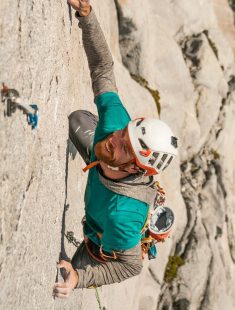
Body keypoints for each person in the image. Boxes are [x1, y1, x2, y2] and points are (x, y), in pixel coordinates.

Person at [53, 0, 178, 298]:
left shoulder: (123, 215)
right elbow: (102, 69)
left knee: (64, 271)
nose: (115, 139)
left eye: (125, 146)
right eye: (124, 133)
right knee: (78, 120)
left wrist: (79, 278)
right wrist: (88, 16)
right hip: (101, 165)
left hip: (98, 240)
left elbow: (130, 265)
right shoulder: (115, 126)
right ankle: (96, 160)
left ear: (135, 167)